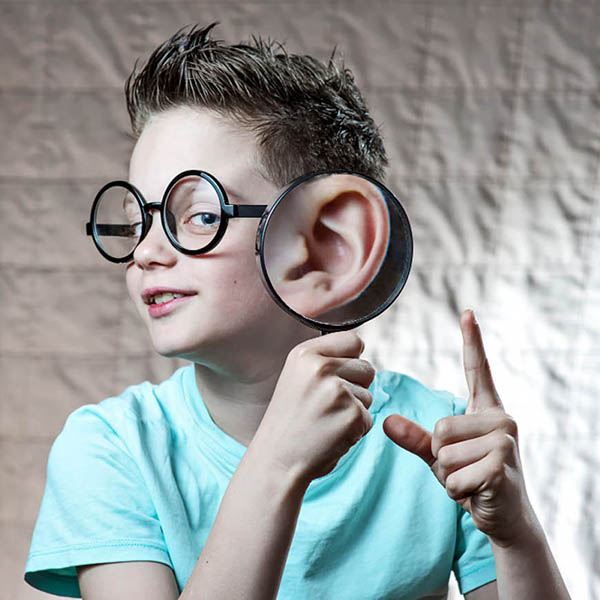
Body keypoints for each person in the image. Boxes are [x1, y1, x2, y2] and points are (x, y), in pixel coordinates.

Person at [24, 23, 570, 599]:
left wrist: (515, 534)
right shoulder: (110, 447)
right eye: (139, 221)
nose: (145, 252)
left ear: (332, 244)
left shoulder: (439, 442)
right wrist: (276, 465)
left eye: (200, 216)